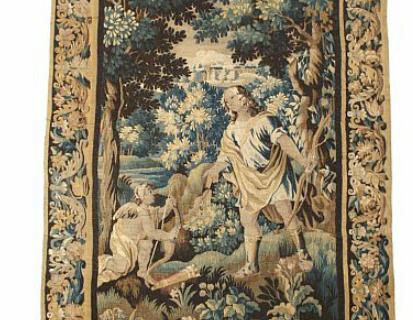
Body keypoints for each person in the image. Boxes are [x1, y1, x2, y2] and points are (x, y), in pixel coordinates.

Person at [204, 85, 316, 276]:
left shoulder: (265, 120)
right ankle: (251, 265)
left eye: (235, 96)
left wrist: (302, 160)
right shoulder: (231, 130)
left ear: (246, 98)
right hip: (249, 179)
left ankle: (302, 252)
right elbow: (226, 156)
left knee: (286, 212)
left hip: (274, 173)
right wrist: (215, 169)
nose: (233, 100)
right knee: (247, 220)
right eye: (229, 99)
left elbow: (283, 141)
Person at [98, 183, 179, 287]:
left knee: (146, 242)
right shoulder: (141, 212)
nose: (152, 194)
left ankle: (142, 272)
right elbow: (152, 232)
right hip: (122, 240)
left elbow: (160, 214)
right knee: (123, 267)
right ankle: (101, 261)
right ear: (143, 198)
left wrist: (169, 205)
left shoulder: (149, 210)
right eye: (149, 192)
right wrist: (169, 235)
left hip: (134, 240)